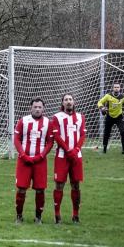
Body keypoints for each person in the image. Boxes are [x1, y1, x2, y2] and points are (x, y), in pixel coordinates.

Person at [13, 97, 53, 224]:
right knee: (21, 189)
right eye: (35, 107)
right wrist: (23, 155)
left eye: (39, 107)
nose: (37, 109)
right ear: (31, 108)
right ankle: (19, 216)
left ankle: (38, 217)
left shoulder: (48, 123)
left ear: (43, 108)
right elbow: (16, 139)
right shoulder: (23, 121)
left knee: (40, 189)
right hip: (24, 161)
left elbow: (50, 142)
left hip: (40, 162)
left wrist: (41, 156)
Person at [50, 93, 86, 224]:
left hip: (76, 156)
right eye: (66, 100)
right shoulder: (56, 117)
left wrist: (76, 150)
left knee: (75, 185)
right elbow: (57, 136)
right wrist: (67, 150)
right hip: (61, 156)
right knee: (59, 184)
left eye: (70, 99)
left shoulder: (80, 117)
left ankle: (75, 215)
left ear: (74, 102)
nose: (69, 102)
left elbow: (82, 135)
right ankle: (57, 215)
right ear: (62, 103)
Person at [97, 82, 124, 154]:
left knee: (123, 132)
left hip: (119, 117)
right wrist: (102, 108)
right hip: (109, 116)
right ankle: (104, 150)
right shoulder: (108, 96)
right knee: (106, 133)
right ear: (113, 88)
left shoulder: (122, 97)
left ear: (120, 88)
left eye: (118, 87)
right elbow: (100, 102)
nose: (116, 88)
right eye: (115, 87)